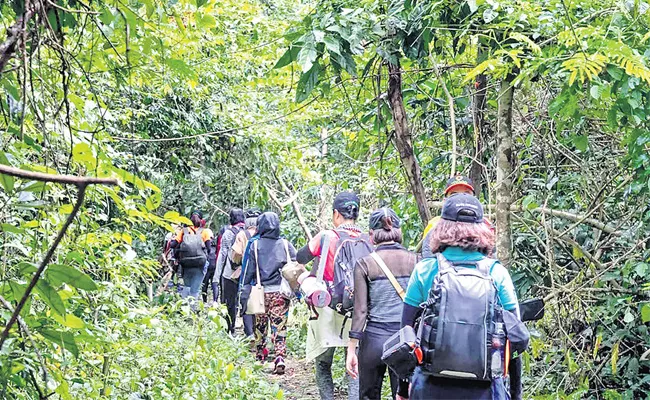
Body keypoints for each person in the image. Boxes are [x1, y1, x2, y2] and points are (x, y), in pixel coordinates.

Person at [401, 194, 519, 399]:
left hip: (430, 385)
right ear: (482, 230)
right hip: (485, 388)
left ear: (442, 228)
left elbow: (405, 332)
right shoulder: (497, 273)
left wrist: (403, 389)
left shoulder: (425, 270)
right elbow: (516, 338)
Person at [296, 191, 364, 400]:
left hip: (326, 306)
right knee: (354, 365)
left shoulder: (327, 237)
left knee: (323, 363)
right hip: (356, 311)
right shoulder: (366, 240)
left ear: (336, 214)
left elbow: (300, 256)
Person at [346, 207, 417, 400]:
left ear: (371, 235)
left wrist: (351, 348)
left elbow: (360, 311)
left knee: (368, 395)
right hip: (405, 340)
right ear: (398, 231)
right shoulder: (416, 261)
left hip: (374, 341)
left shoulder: (364, 264)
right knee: (403, 396)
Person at [243, 212, 296, 374]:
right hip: (280, 292)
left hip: (260, 291)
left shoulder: (255, 245)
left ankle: (260, 353)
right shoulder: (286, 244)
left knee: (260, 324)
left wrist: (244, 292)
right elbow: (295, 267)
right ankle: (279, 356)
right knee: (279, 326)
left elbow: (248, 272)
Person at [420, 175, 493, 259]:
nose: (460, 197)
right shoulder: (435, 224)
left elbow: (491, 254)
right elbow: (428, 255)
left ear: (474, 197)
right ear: (445, 199)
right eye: (454, 194)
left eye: (466, 193)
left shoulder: (485, 225)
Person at [213, 208, 246, 334]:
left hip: (229, 273)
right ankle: (248, 329)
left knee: (228, 301)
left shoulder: (228, 233)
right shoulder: (248, 233)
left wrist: (217, 277)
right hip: (245, 272)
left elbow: (223, 254)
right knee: (243, 300)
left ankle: (229, 328)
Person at [169, 211, 213, 302]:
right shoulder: (204, 232)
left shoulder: (184, 231)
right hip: (200, 264)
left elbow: (173, 244)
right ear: (201, 220)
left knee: (187, 286)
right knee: (195, 289)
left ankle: (184, 308)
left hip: (186, 263)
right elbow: (209, 248)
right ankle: (192, 310)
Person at [232, 208, 261, 337]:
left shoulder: (242, 235)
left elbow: (236, 254)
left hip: (248, 274)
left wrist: (238, 262)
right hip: (264, 275)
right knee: (260, 304)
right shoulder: (265, 235)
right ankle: (260, 334)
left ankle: (249, 334)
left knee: (247, 302)